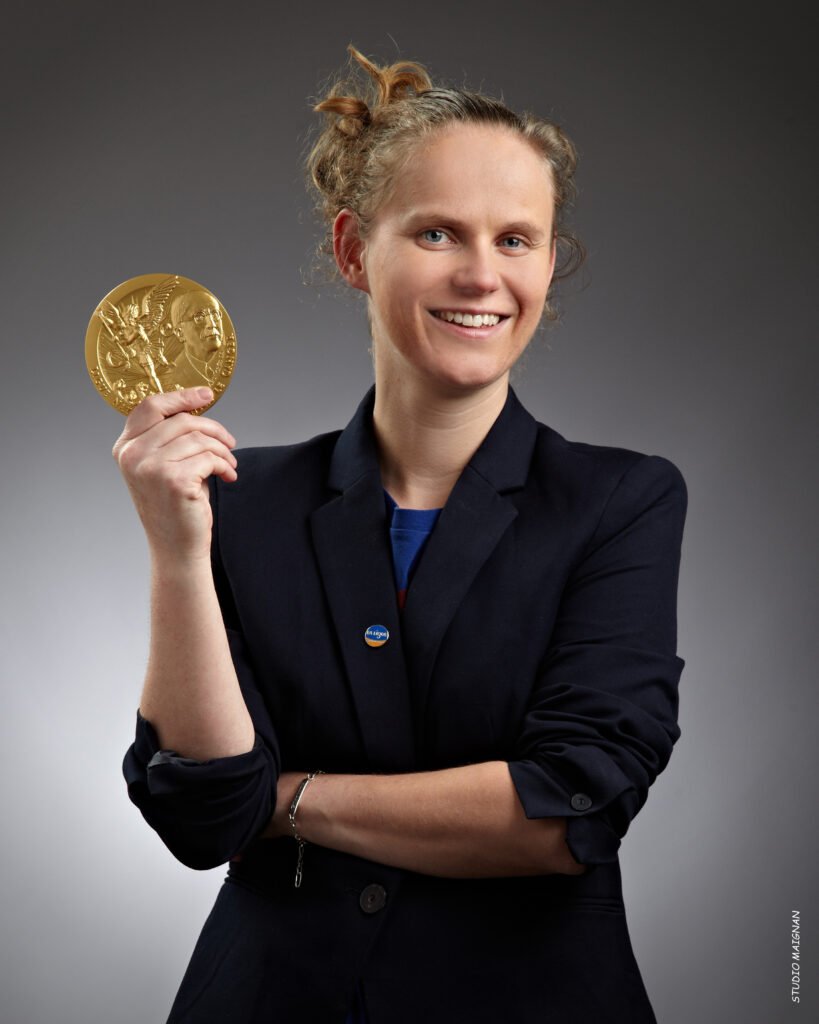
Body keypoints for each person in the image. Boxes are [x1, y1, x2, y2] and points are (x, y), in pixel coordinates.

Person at [116, 46, 686, 1024]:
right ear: (352, 250)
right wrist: (177, 549)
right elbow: (206, 814)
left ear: (550, 261)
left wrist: (287, 801)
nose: (482, 273)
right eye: (438, 232)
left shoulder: (620, 500)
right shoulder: (238, 503)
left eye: (517, 239)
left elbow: (567, 809)